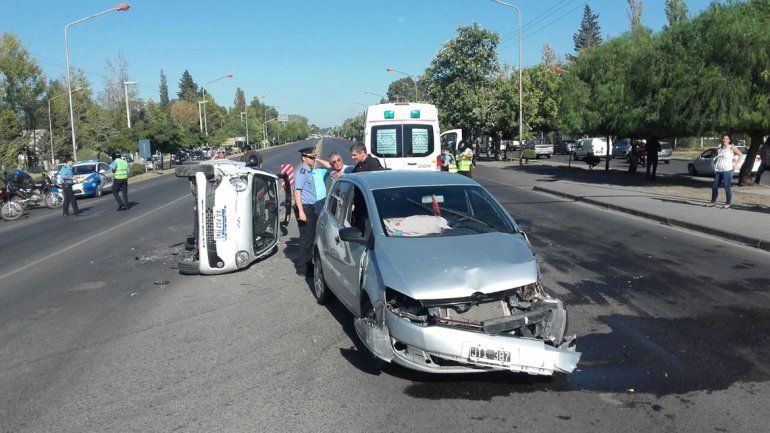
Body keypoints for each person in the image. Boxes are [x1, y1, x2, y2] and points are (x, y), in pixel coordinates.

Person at [292, 147, 320, 275]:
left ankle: (307, 263)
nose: (313, 159)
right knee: (306, 238)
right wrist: (301, 212)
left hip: (310, 207)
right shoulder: (302, 172)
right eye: (310, 157)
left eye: (314, 157)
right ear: (303, 157)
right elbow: (297, 192)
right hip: (305, 208)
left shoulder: (308, 171)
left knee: (310, 237)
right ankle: (302, 268)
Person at [706, 134, 743, 209]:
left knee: (727, 187)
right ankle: (712, 202)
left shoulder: (731, 147)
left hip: (727, 171)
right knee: (714, 187)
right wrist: (715, 162)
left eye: (726, 139)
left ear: (729, 140)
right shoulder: (719, 149)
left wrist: (735, 164)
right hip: (719, 171)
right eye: (723, 138)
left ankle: (728, 203)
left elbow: (741, 154)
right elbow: (718, 159)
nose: (724, 140)